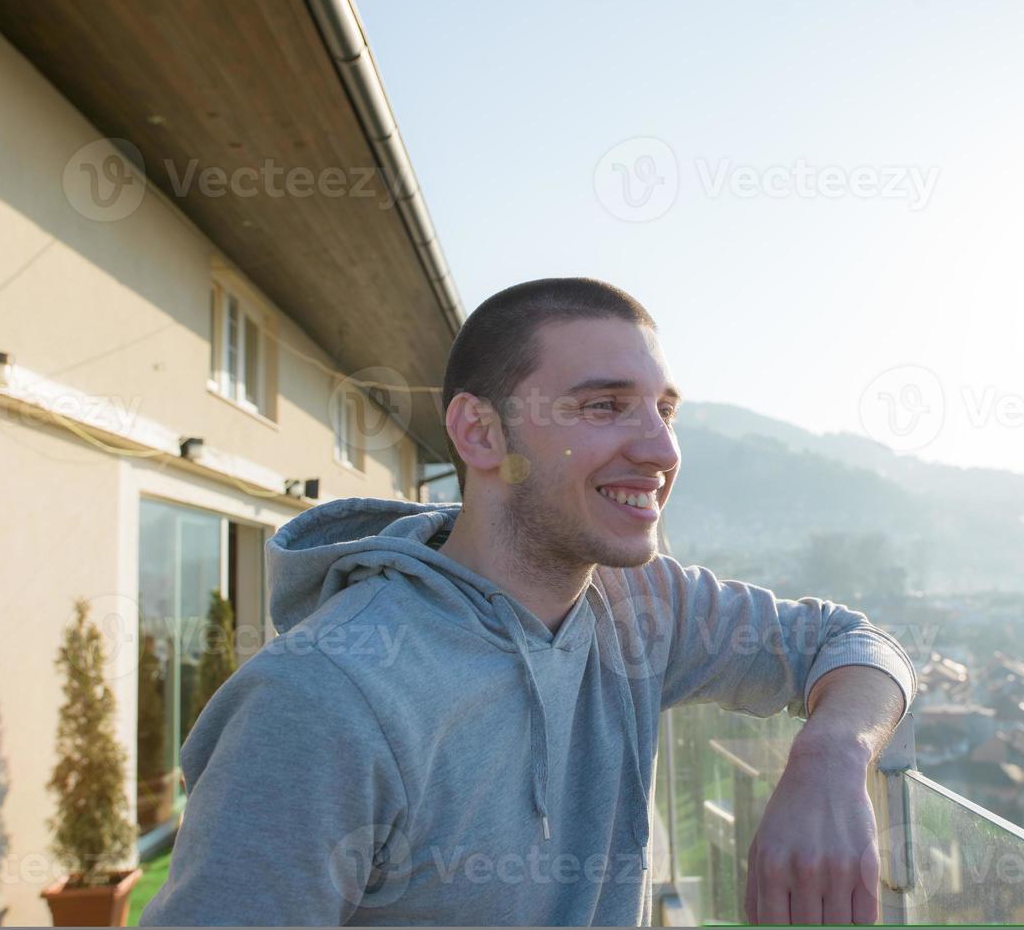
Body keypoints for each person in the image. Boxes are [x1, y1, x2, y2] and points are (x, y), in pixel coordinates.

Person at [139, 277, 918, 926]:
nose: (661, 449)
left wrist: (832, 754)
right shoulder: (320, 701)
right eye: (604, 406)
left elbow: (850, 644)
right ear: (480, 434)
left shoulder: (641, 605)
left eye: (663, 409)